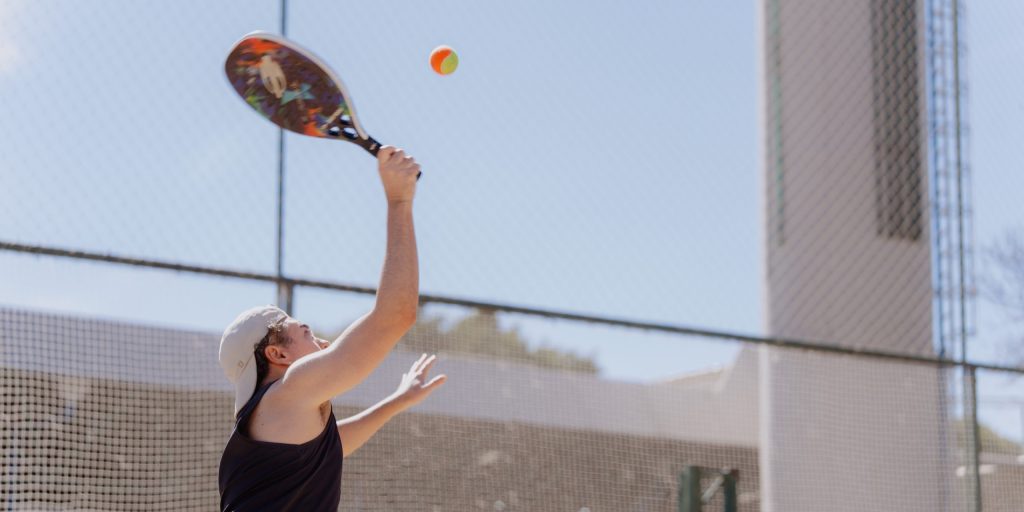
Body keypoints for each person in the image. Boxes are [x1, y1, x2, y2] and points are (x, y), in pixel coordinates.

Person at [216, 147, 446, 511]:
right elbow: (396, 315)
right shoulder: (289, 391)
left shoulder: (283, 419)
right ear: (277, 354)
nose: (322, 340)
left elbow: (335, 442)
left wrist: (397, 401)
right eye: (305, 332)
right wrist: (399, 201)